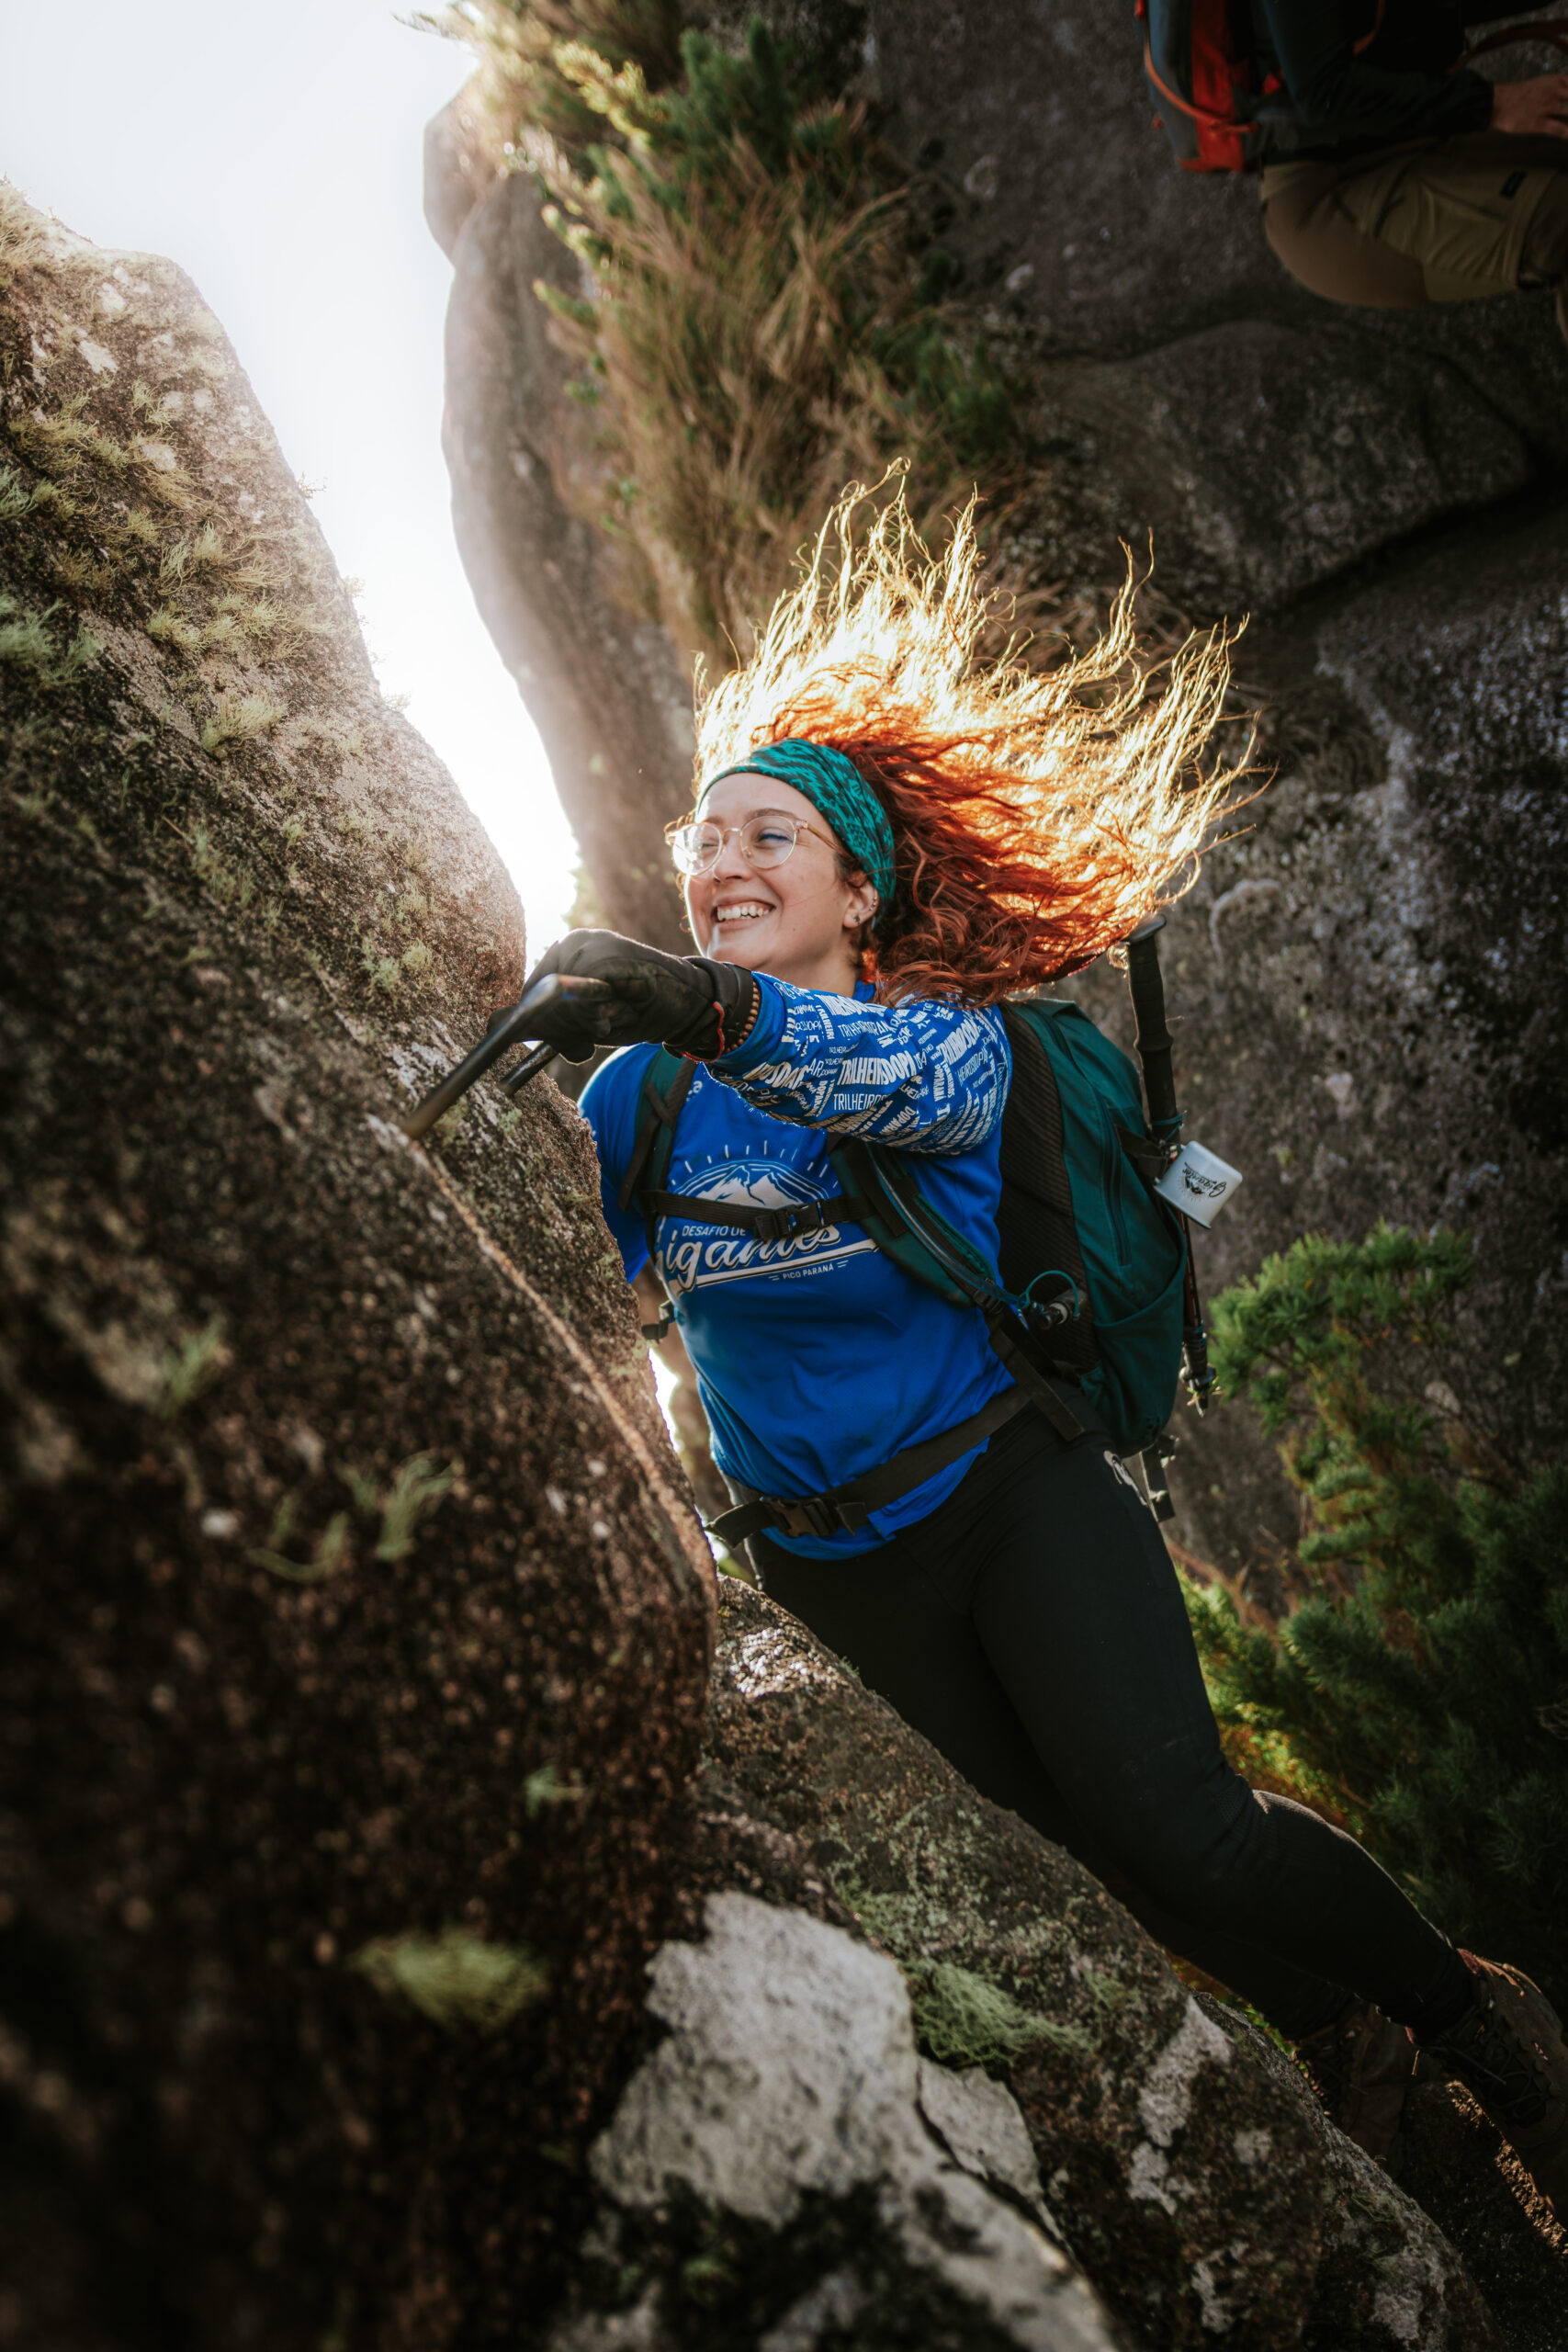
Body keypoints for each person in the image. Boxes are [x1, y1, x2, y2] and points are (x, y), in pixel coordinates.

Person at [517, 488, 1568, 2206]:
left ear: (859, 889)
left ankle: (1478, 2024)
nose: (720, 865)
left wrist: (697, 1002)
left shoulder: (947, 1049)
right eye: (703, 842)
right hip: (826, 1561)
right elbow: (573, 1287)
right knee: (1092, 1868)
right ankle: (1348, 2044)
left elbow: (852, 1076)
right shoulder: (644, 1100)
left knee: (1183, 1825)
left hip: (1010, 1494)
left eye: (770, 835)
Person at [1245, 1, 1568, 333]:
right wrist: (1492, 105)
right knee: (1559, 224)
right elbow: (1324, 94)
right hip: (1332, 195)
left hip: (1410, 131)